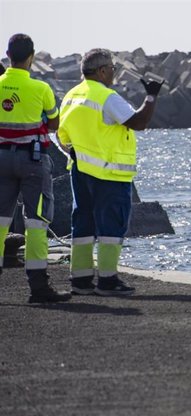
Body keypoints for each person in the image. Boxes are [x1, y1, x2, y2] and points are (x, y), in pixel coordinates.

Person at [57, 48, 164, 296]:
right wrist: (151, 97)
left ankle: (81, 281)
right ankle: (107, 280)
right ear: (102, 71)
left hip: (80, 171)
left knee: (82, 222)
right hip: (109, 173)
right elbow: (138, 123)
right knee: (111, 225)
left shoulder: (71, 96)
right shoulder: (107, 97)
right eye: (113, 69)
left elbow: (61, 136)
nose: (114, 74)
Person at [0, 34, 70, 303]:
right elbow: (54, 124)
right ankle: (39, 288)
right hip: (32, 160)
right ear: (32, 57)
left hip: (1, 159)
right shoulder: (40, 89)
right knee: (36, 222)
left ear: (8, 54)